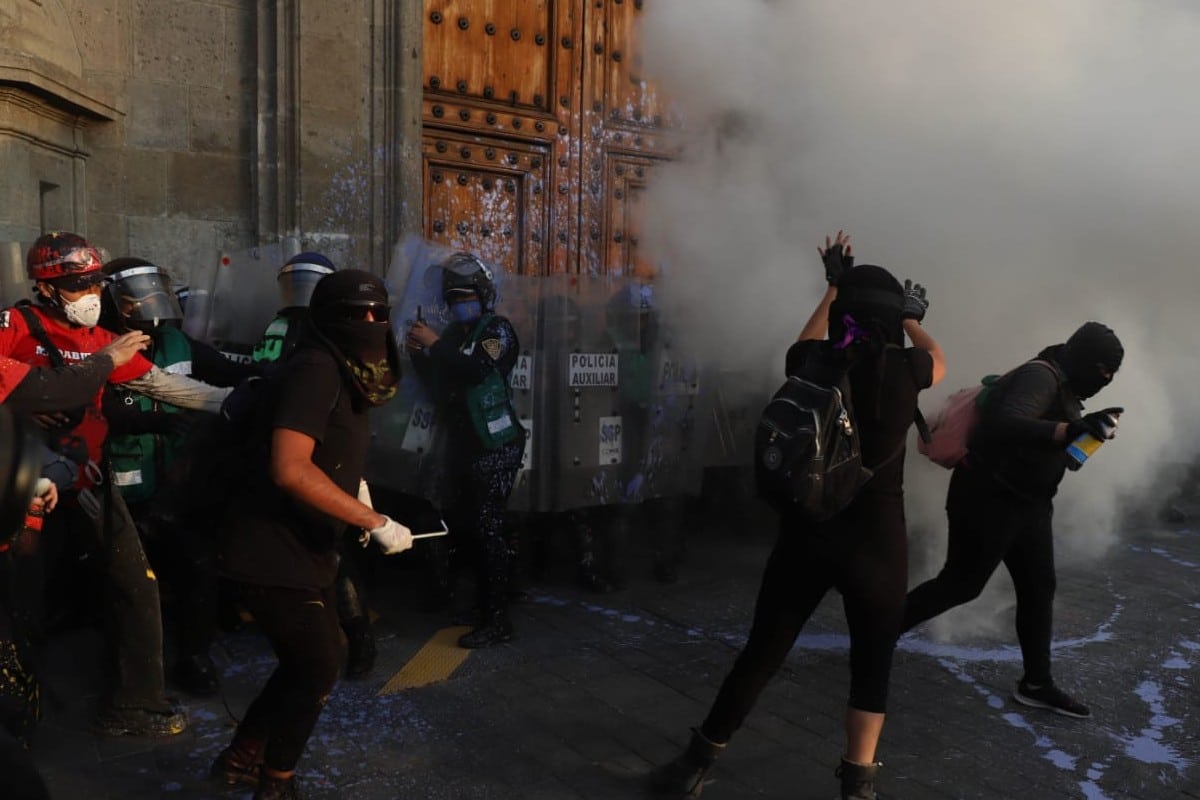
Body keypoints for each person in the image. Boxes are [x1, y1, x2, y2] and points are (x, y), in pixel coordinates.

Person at [651, 231, 946, 800]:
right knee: (872, 666)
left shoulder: (814, 362)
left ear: (847, 314)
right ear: (890, 318)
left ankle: (695, 764)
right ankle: (857, 788)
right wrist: (911, 318)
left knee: (762, 652)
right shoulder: (907, 371)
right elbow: (940, 358)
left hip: (807, 534)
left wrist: (833, 287)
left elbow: (803, 339)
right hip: (878, 546)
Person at [0, 231, 232, 738]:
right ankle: (18, 721)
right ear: (46, 287)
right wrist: (101, 365)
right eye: (76, 283)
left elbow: (159, 383)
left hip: (87, 482)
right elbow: (37, 387)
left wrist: (233, 399)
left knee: (134, 585)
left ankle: (136, 704)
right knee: (23, 599)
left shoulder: (100, 340)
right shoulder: (14, 327)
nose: (88, 293)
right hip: (23, 488)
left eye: (92, 283)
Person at [212, 268, 412, 800]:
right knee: (319, 666)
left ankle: (239, 757)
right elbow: (291, 467)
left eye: (378, 313)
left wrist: (357, 491)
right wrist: (375, 520)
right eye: (354, 314)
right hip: (269, 544)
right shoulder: (317, 368)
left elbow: (331, 451)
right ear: (325, 320)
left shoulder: (344, 370)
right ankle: (275, 783)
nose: (369, 323)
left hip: (307, 542)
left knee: (305, 661)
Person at [901, 321, 1124, 720]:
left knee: (1039, 588)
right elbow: (1005, 423)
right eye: (1102, 369)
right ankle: (878, 630)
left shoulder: (1067, 384)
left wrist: (1076, 440)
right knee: (961, 584)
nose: (1104, 379)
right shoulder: (1041, 375)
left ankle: (1037, 683)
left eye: (1112, 374)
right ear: (1083, 358)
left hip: (1029, 504)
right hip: (989, 499)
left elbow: (1043, 441)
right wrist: (1067, 430)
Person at [100, 257, 258, 697]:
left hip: (175, 483)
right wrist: (149, 424)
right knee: (121, 582)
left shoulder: (177, 342)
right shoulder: (99, 346)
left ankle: (194, 655)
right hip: (121, 485)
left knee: (199, 565)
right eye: (137, 297)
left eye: (154, 291)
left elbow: (228, 372)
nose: (149, 303)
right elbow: (92, 408)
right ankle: (122, 672)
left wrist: (278, 374)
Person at [247, 252, 378, 679]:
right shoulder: (288, 330)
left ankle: (357, 640)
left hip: (324, 453)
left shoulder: (325, 335)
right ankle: (333, 644)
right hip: (297, 446)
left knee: (335, 555)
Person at [405, 251, 525, 648]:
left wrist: (435, 344)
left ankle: (498, 619)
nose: (460, 305)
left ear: (483, 295)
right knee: (470, 529)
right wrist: (418, 354)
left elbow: (474, 372)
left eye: (466, 297)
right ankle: (483, 604)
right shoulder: (456, 336)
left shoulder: (498, 332)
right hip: (464, 444)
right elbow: (441, 373)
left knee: (489, 529)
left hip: (496, 444)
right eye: (454, 299)